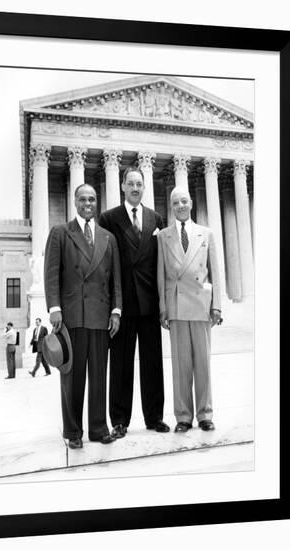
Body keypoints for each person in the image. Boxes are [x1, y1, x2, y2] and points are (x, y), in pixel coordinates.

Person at [44, 183, 122, 449]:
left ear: (96, 202)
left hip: (101, 317)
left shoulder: (107, 237)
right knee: (73, 377)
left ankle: (99, 429)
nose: (88, 203)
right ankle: (73, 432)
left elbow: (116, 280)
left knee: (99, 376)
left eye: (92, 199)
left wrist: (116, 310)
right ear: (74, 201)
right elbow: (51, 273)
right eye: (83, 199)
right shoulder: (60, 232)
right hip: (72, 316)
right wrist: (54, 308)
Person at [98, 166, 169, 438]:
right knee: (120, 364)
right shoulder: (109, 218)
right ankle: (119, 420)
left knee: (152, 364)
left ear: (143, 187)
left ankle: (155, 417)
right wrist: (111, 306)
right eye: (131, 183)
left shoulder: (156, 219)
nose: (136, 188)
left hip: (150, 303)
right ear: (123, 187)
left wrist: (164, 303)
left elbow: (162, 264)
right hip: (122, 304)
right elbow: (105, 265)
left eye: (139, 183)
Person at [157, 187, 222, 433]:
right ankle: (183, 416)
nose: (181, 206)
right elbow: (161, 275)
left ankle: (205, 414)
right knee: (180, 365)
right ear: (171, 206)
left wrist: (216, 305)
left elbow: (215, 271)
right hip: (176, 306)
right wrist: (163, 308)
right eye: (176, 203)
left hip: (201, 305)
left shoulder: (206, 234)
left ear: (191, 203)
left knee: (203, 363)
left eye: (184, 201)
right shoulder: (163, 236)